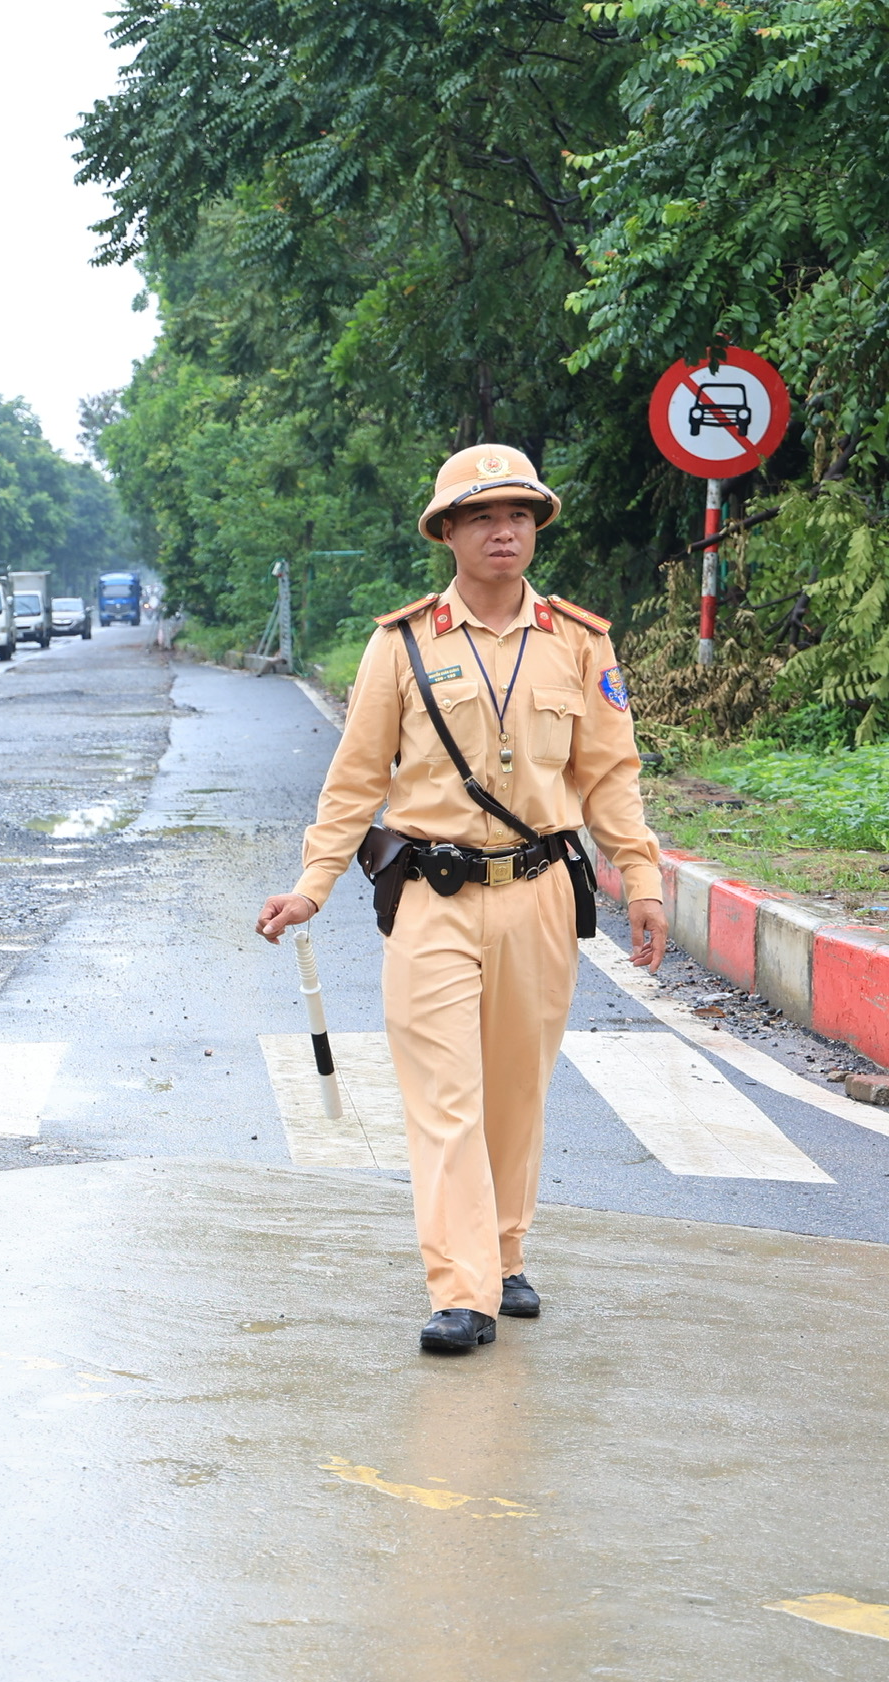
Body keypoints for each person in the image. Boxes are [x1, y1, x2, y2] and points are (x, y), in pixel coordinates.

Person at [255, 444, 668, 1356]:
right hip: (433, 895)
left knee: (517, 1088)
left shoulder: (579, 641)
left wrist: (640, 875)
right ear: (447, 531)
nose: (504, 529)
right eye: (483, 516)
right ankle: (464, 1288)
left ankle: (507, 1249)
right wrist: (313, 885)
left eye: (519, 514)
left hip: (540, 893)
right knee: (445, 1094)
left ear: (535, 528)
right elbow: (353, 779)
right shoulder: (400, 643)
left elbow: (610, 775)